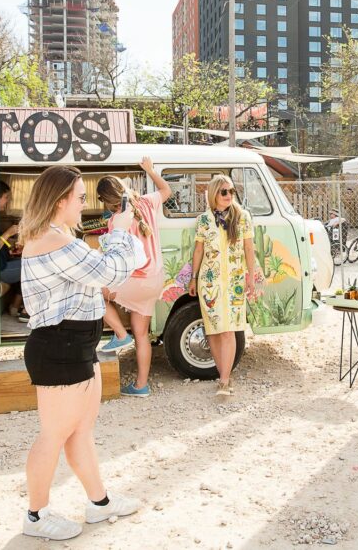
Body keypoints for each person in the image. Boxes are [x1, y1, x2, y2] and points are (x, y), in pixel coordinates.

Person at [18, 166, 143, 540]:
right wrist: (119, 232)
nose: (85, 204)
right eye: (81, 197)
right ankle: (36, 516)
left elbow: (98, 279)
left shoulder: (58, 236)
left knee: (80, 432)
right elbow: (111, 271)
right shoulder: (54, 241)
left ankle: (99, 503)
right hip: (59, 346)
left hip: (75, 344)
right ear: (61, 202)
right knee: (53, 435)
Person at [95, 157, 172, 398]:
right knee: (142, 335)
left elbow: (112, 257)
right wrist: (150, 170)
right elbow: (166, 190)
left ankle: (119, 334)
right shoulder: (147, 203)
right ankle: (141, 385)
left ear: (106, 200)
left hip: (136, 280)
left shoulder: (116, 220)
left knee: (94, 291)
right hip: (155, 280)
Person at [188, 174, 261, 397]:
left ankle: (225, 380)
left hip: (234, 283)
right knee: (213, 331)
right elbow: (199, 250)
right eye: (224, 192)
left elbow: (249, 249)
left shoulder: (242, 217)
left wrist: (251, 277)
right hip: (209, 284)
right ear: (214, 194)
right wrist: (193, 277)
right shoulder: (203, 220)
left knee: (228, 330)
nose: (229, 195)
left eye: (232, 191)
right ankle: (223, 375)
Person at [0, 182, 24, 319]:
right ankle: (21, 309)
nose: (7, 201)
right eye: (6, 197)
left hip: (3, 263)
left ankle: (15, 306)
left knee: (28, 262)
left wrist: (12, 250)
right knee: (32, 265)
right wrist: (8, 233)